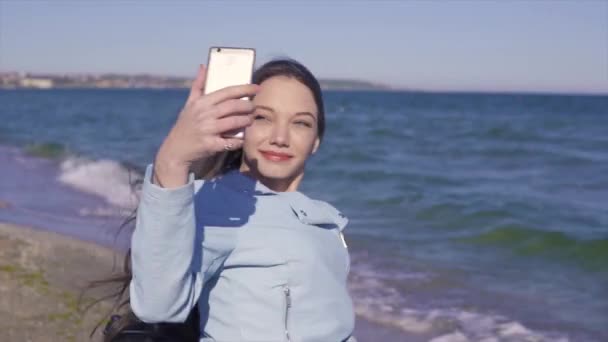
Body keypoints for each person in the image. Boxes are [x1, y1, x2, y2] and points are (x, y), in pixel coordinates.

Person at [101, 58, 355, 342]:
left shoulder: (326, 219)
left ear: (316, 139)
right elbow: (157, 304)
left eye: (300, 123)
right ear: (240, 125)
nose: (280, 137)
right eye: (262, 117)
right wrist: (171, 160)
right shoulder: (215, 202)